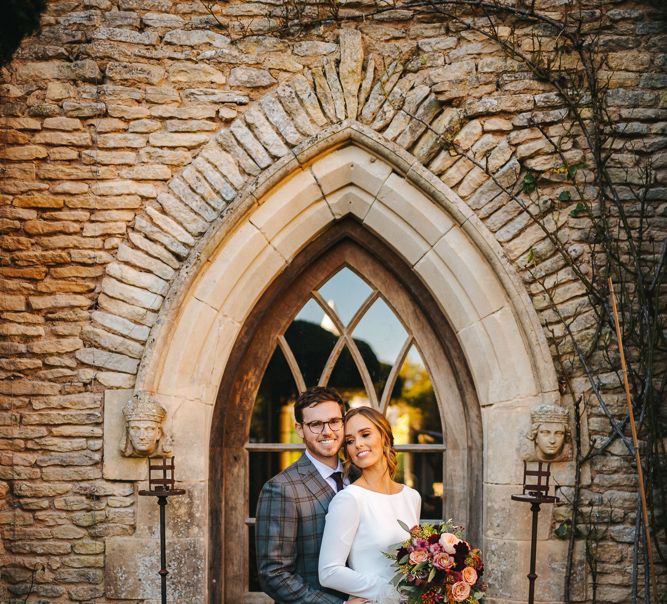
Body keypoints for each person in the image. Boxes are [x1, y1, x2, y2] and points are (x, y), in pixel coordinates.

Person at [255, 386, 366, 604]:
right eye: (316, 424)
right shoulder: (281, 489)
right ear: (299, 428)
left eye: (335, 421)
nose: (328, 431)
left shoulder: (358, 476)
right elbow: (274, 574)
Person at [318, 407, 421, 603]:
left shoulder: (411, 497)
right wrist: (389, 594)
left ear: (384, 436)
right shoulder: (350, 499)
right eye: (349, 441)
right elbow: (328, 571)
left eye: (365, 434)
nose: (358, 444)